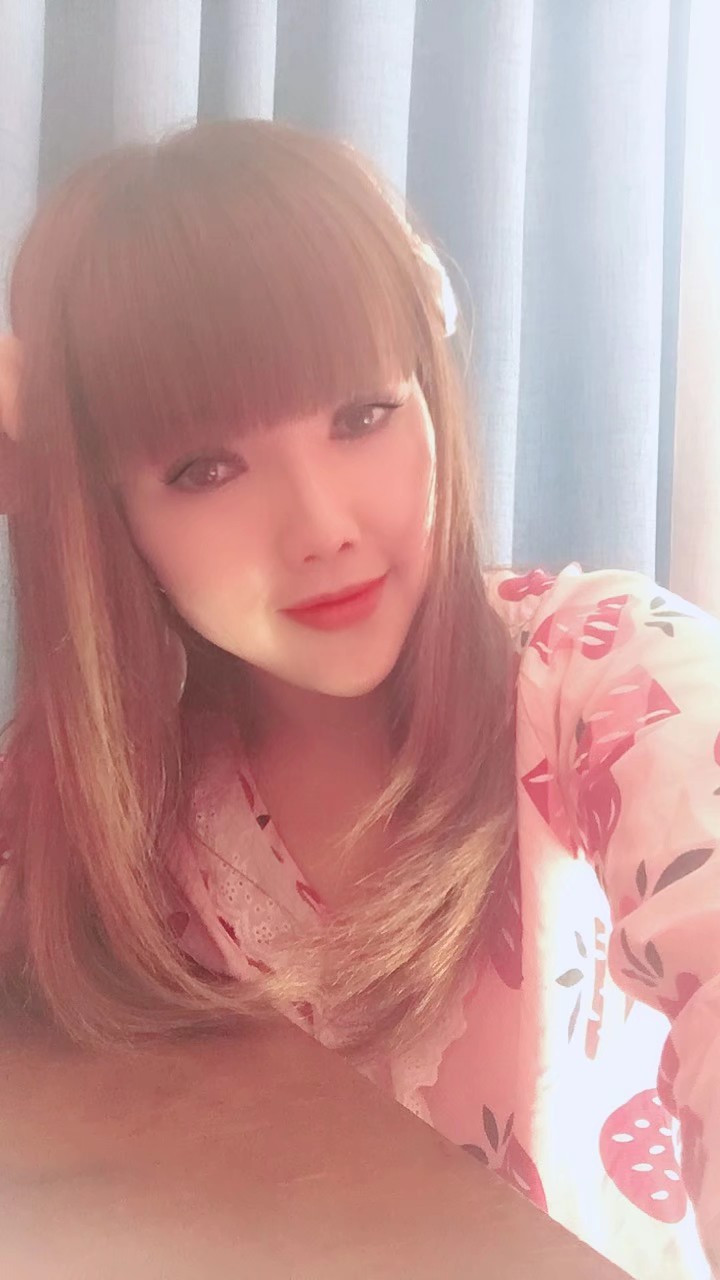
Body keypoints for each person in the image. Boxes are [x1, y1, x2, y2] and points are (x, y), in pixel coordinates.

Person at [0, 119, 717, 1280]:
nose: (323, 525)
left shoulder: (598, 674)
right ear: (108, 509)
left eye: (363, 415)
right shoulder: (105, 807)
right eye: (205, 467)